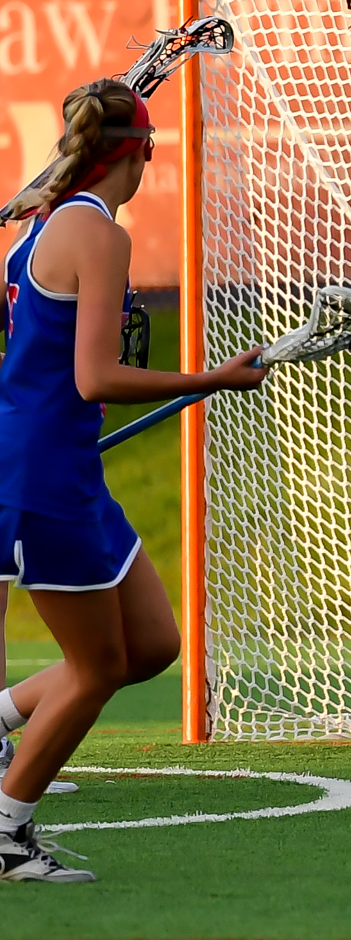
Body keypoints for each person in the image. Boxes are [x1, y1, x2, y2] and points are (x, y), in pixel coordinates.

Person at [0, 78, 266, 881]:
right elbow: (94, 377)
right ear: (140, 152)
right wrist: (209, 380)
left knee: (151, 644)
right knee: (98, 668)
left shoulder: (41, 220)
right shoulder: (97, 236)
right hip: (44, 474)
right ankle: (8, 833)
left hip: (60, 465)